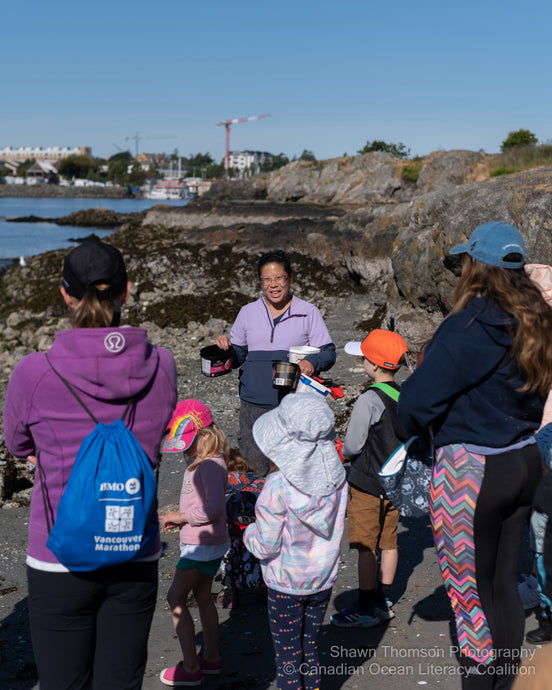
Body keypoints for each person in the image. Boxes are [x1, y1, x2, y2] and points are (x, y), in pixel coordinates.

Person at [2, 240, 177, 690]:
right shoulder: (162, 366)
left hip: (59, 556)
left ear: (65, 294)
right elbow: (156, 437)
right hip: (134, 547)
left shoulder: (33, 372)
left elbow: (19, 444)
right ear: (127, 291)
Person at [397, 222, 552, 689]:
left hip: (474, 471)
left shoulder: (469, 324)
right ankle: (504, 683)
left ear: (475, 266)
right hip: (524, 461)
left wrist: (421, 437)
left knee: (470, 597)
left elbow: (414, 404)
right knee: (503, 586)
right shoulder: (536, 320)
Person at [243, 393, 348, 690]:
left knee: (287, 655)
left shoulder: (277, 487)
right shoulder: (339, 481)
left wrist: (247, 533)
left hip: (285, 584)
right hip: (323, 579)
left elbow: (266, 545)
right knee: (310, 648)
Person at [215, 250, 336, 476]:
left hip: (293, 405)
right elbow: (238, 357)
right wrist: (226, 350)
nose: (273, 285)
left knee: (293, 472)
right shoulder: (247, 312)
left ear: (289, 279)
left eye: (279, 278)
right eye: (267, 279)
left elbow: (329, 353)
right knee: (255, 470)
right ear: (260, 282)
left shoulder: (308, 312)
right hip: (252, 406)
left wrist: (311, 362)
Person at [330, 329, 409, 628]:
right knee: (389, 543)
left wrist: (342, 452)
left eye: (364, 358)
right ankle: (383, 599)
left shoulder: (368, 400)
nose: (363, 362)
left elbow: (352, 446)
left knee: (366, 546)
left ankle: (364, 607)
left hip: (366, 483)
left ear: (374, 365)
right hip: (395, 483)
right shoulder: (404, 395)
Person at [159, 399, 229, 687]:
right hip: (207, 542)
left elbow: (213, 508)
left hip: (202, 544)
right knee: (202, 597)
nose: (185, 450)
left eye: (189, 444)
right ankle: (210, 657)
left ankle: (190, 666)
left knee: (175, 598)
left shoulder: (210, 467)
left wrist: (183, 516)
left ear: (206, 434)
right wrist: (181, 518)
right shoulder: (202, 460)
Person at [218, 449, 265, 609]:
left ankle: (230, 594)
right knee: (260, 565)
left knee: (228, 565)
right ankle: (262, 590)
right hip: (257, 538)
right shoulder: (260, 484)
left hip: (231, 540)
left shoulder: (222, 489)